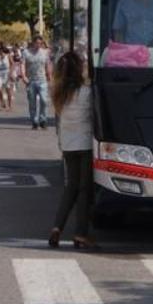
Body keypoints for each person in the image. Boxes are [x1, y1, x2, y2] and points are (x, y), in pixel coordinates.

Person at [49, 51, 97, 250]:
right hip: (85, 145)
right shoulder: (86, 92)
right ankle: (80, 234)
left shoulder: (59, 93)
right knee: (84, 190)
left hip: (68, 145)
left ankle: (57, 228)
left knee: (70, 188)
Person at [21, 36, 53, 129]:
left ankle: (43, 120)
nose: (39, 45)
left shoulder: (45, 53)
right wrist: (23, 76)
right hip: (31, 81)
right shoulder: (26, 53)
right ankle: (34, 121)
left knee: (44, 100)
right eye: (37, 43)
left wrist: (50, 77)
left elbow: (48, 65)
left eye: (40, 43)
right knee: (32, 102)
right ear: (33, 43)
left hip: (42, 80)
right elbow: (22, 64)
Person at [0, 44, 13, 111]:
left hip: (7, 72)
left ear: (3, 51)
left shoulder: (8, 56)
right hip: (0, 73)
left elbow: (12, 64)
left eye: (0, 51)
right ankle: (2, 103)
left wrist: (11, 73)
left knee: (8, 90)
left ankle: (10, 106)